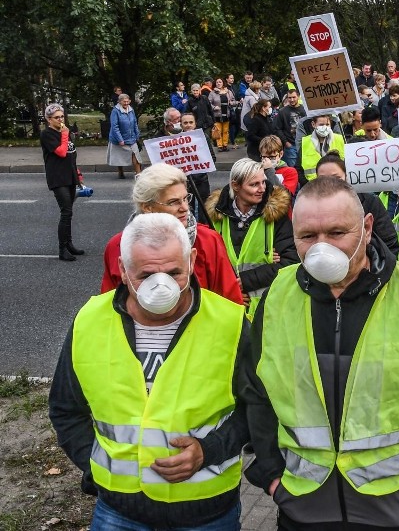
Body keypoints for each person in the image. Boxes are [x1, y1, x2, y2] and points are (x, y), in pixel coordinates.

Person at [239, 176, 399, 530]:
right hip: (303, 504)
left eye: (337, 232)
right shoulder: (278, 295)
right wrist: (272, 474)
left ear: (367, 228)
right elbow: (255, 390)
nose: (321, 247)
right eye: (307, 236)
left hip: (396, 506)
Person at [49, 213, 250, 530]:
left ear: (192, 259)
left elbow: (257, 409)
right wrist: (96, 466)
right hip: (118, 511)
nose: (162, 286)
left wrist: (208, 451)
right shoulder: (89, 322)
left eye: (174, 272)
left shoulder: (231, 323)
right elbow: (65, 408)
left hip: (206, 513)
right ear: (123, 269)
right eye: (146, 275)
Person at [100, 163, 242, 304]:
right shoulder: (117, 246)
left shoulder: (208, 240)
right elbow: (109, 305)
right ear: (147, 207)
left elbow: (230, 301)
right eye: (174, 202)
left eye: (186, 198)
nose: (185, 208)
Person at [206, 158, 298, 319]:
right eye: (254, 184)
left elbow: (291, 262)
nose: (262, 188)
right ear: (236, 186)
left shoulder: (277, 215)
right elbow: (206, 267)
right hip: (227, 311)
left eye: (263, 182)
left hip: (269, 311)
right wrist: (229, 291)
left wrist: (244, 280)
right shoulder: (214, 217)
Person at [315, 151, 399, 257]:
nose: (329, 184)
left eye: (336, 178)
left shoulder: (370, 203)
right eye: (322, 180)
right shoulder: (311, 208)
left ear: (346, 177)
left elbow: (390, 244)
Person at [41, 103, 83, 261]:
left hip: (69, 175)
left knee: (69, 211)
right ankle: (62, 249)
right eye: (56, 117)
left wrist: (77, 172)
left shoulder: (65, 132)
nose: (60, 119)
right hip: (57, 177)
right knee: (65, 212)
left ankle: (69, 243)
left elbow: (71, 153)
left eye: (62, 116)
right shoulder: (47, 134)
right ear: (49, 119)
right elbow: (61, 152)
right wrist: (65, 134)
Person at [297, 114, 347, 185]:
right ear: (313, 124)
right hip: (312, 187)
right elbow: (298, 169)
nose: (324, 127)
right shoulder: (306, 142)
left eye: (327, 124)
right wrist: (308, 184)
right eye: (321, 125)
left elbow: (347, 165)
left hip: (337, 186)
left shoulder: (340, 140)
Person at [177, 112, 213, 207]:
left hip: (202, 180)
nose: (188, 125)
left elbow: (212, 157)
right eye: (185, 123)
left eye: (190, 122)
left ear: (195, 124)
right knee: (187, 207)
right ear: (181, 125)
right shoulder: (175, 141)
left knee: (205, 208)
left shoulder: (204, 137)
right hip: (185, 181)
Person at [106, 93, 142, 178]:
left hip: (131, 137)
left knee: (135, 154)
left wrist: (137, 134)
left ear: (129, 101)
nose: (126, 103)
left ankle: (138, 174)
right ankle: (120, 172)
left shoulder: (131, 110)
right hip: (119, 138)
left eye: (127, 101)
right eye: (124, 101)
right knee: (119, 156)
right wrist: (120, 139)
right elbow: (114, 126)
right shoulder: (115, 111)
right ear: (119, 102)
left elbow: (134, 123)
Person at [275, 87, 306, 166]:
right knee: (293, 169)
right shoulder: (282, 112)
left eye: (294, 97)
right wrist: (286, 142)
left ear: (298, 97)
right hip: (291, 145)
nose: (292, 100)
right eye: (289, 98)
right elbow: (278, 129)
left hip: (305, 143)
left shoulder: (305, 110)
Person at [212, 77, 234, 152]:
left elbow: (233, 100)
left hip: (226, 113)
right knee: (218, 131)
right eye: (217, 82)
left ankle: (225, 145)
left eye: (220, 82)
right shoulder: (212, 93)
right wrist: (214, 107)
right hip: (217, 114)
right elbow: (208, 103)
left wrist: (231, 103)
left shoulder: (228, 92)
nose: (218, 83)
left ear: (223, 83)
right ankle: (220, 146)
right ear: (215, 84)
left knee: (226, 131)